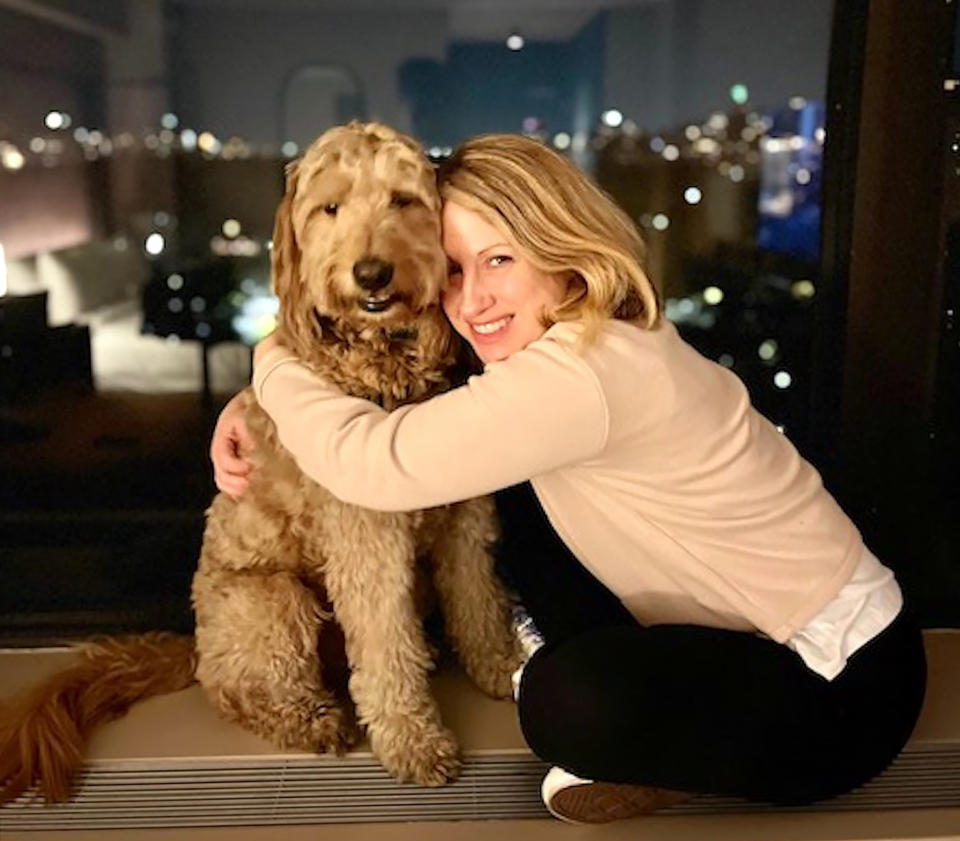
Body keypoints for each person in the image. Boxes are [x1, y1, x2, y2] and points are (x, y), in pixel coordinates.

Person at [210, 133, 926, 824]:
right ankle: (663, 729)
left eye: (499, 260)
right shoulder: (561, 341)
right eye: (453, 272)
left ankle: (660, 751)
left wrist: (271, 361)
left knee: (562, 705)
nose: (473, 301)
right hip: (728, 630)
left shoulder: (586, 372)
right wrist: (251, 406)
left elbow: (373, 465)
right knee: (504, 490)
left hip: (843, 682)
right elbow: (405, 395)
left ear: (564, 251)